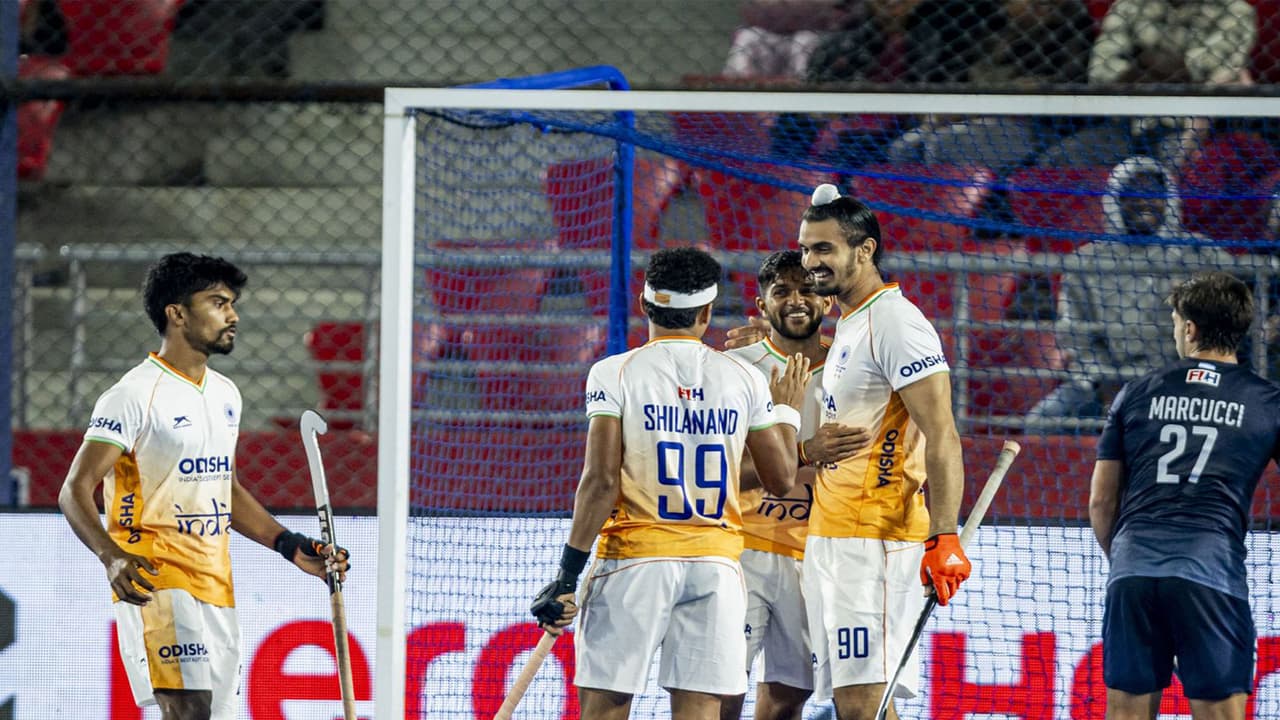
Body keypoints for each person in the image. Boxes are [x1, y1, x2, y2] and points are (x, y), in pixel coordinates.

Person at [57, 252, 349, 720]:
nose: (232, 315)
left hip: (216, 583)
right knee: (189, 711)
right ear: (177, 313)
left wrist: (288, 544)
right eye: (217, 302)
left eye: (231, 303)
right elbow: (75, 488)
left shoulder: (225, 393)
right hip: (156, 578)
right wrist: (111, 555)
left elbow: (224, 489)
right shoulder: (132, 395)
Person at [530, 246, 809, 720]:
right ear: (706, 312)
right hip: (716, 568)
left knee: (605, 709)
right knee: (700, 711)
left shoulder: (614, 372)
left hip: (634, 562)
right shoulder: (744, 377)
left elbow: (598, 482)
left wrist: (567, 576)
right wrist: (786, 409)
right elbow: (781, 479)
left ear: (645, 306)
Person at [797, 184, 970, 720]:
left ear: (865, 251)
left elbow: (942, 433)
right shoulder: (848, 320)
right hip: (834, 536)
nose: (810, 261)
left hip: (874, 539)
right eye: (805, 248)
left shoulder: (896, 321)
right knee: (861, 703)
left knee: (863, 702)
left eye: (824, 249)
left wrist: (945, 535)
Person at [1088, 271, 1280, 720]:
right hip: (1211, 576)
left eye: (1176, 319)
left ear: (1189, 328)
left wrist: (1125, 562)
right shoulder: (1267, 401)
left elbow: (1101, 502)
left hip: (1133, 574)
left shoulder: (1135, 393)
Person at [723, 250, 872, 720]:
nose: (796, 300)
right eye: (781, 291)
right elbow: (720, 469)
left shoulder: (855, 372)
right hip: (740, 550)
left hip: (814, 553)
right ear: (760, 302)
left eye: (807, 289)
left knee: (789, 694)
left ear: (826, 300)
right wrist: (805, 452)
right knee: (721, 687)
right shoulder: (737, 368)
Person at [1025, 156, 1233, 430]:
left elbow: (1238, 299)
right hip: (1110, 380)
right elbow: (1075, 336)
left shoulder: (1197, 253)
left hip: (1183, 379)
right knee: (1042, 424)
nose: (1143, 201)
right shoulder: (1086, 262)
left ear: (1168, 200)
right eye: (1132, 193)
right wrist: (1104, 382)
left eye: (1153, 194)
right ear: (1115, 200)